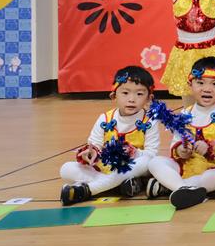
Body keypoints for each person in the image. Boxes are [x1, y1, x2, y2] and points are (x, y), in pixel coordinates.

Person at [59, 66, 160, 205]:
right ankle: (120, 185)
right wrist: (90, 153)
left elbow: (151, 155)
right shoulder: (104, 119)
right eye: (125, 93)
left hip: (134, 167)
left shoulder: (150, 121)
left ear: (149, 98)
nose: (131, 99)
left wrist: (134, 153)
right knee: (66, 169)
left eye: (139, 94)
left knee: (147, 162)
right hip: (106, 169)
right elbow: (94, 145)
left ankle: (87, 190)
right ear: (114, 96)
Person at [147, 57, 215, 210]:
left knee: (213, 178)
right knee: (155, 162)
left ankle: (170, 186)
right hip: (185, 165)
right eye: (200, 83)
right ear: (190, 85)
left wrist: (212, 148)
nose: (207, 89)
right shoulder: (184, 114)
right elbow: (175, 144)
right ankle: (182, 189)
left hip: (213, 167)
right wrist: (181, 150)